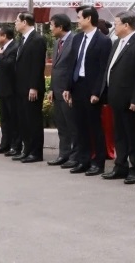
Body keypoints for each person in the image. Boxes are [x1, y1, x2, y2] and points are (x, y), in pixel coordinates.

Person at [100, 11, 135, 185]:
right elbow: (110, 69)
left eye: (116, 23)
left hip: (131, 100)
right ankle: (120, 166)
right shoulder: (117, 43)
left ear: (126, 25)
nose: (114, 27)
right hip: (116, 98)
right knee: (120, 135)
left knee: (134, 136)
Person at [63, 6, 111, 176]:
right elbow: (72, 64)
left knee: (94, 127)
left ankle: (98, 163)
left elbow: (103, 69)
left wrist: (97, 92)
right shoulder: (77, 39)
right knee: (80, 126)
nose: (77, 20)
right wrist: (68, 87)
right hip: (77, 85)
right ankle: (83, 160)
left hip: (92, 89)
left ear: (89, 18)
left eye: (79, 17)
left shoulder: (103, 41)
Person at [13, 12, 48, 163]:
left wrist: (33, 86)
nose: (15, 23)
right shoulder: (23, 39)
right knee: (23, 120)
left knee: (33, 120)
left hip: (31, 88)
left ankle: (36, 152)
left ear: (25, 22)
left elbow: (37, 65)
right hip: (21, 87)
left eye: (17, 20)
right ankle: (26, 149)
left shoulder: (37, 39)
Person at [47, 13, 78, 167]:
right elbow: (55, 68)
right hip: (57, 90)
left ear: (60, 26)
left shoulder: (75, 41)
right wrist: (52, 88)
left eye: (52, 25)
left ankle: (74, 156)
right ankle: (63, 154)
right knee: (61, 125)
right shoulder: (56, 43)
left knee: (72, 125)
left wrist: (70, 89)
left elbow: (73, 68)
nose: (50, 28)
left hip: (68, 91)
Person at [0, 26, 20, 156]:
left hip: (11, 89)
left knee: (13, 119)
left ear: (4, 36)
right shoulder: (4, 48)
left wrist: (0, 55)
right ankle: (5, 144)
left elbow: (9, 64)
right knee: (5, 119)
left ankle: (15, 145)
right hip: (2, 89)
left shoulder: (14, 47)